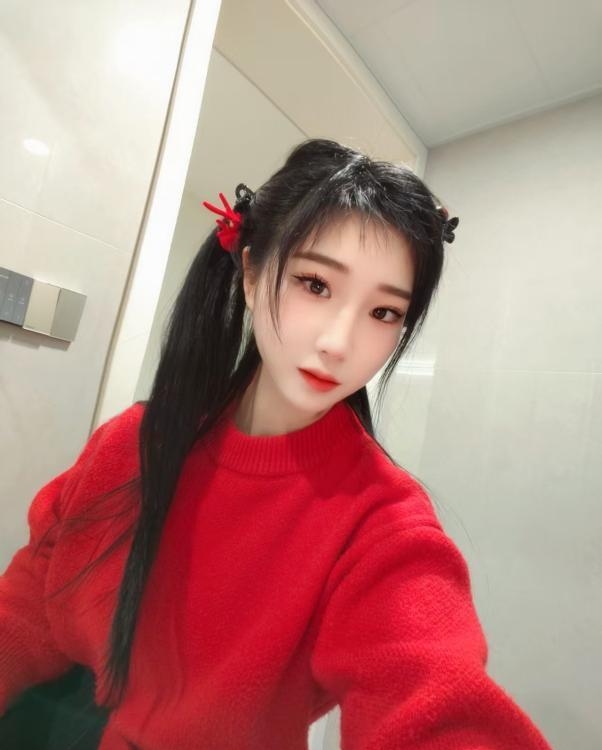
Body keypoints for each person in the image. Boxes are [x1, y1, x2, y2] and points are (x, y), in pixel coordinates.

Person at [0, 138, 554, 749]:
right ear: (251, 272)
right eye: (315, 284)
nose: (339, 343)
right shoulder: (131, 444)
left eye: (384, 313)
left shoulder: (382, 523)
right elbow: (28, 606)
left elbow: (432, 693)